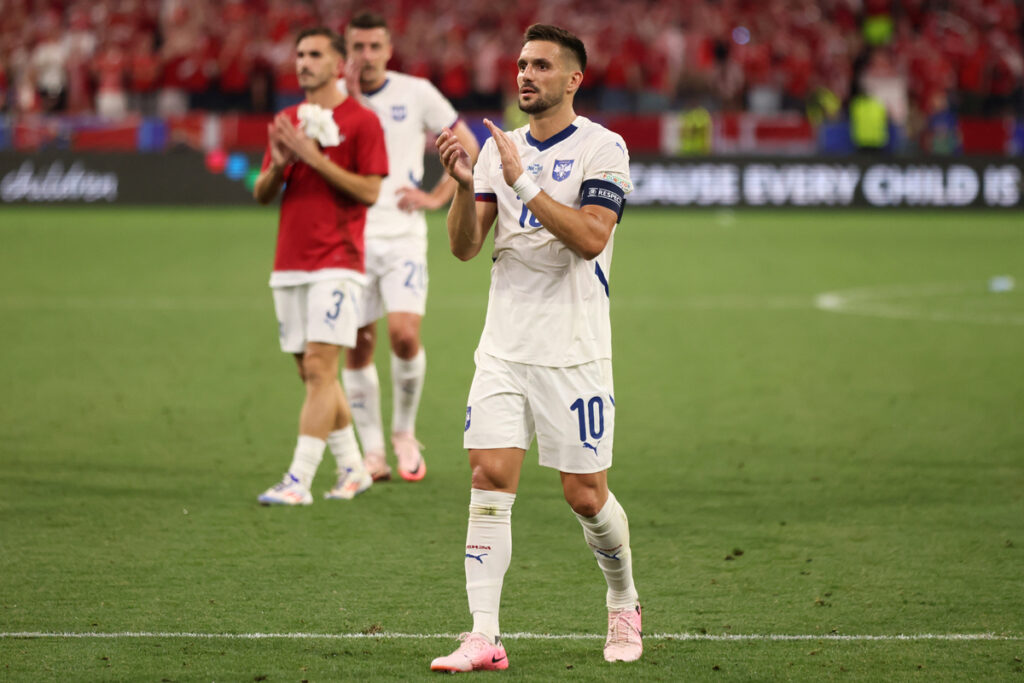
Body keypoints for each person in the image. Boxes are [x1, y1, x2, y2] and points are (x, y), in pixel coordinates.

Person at [431, 24, 641, 672]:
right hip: (503, 346)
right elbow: (466, 247)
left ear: (574, 78)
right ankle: (483, 633)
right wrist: (467, 185)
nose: (525, 74)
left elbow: (589, 238)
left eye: (542, 65)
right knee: (488, 476)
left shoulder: (604, 149)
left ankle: (623, 599)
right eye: (522, 64)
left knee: (585, 493)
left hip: (573, 351)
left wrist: (523, 184)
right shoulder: (500, 150)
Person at [338, 12, 480, 482]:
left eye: (374, 46)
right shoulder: (334, 100)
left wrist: (438, 195)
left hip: (401, 236)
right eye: (357, 47)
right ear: (347, 51)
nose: (366, 56)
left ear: (388, 48)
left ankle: (403, 432)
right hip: (350, 237)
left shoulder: (416, 91)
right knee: (356, 344)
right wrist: (349, 105)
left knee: (403, 335)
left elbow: (469, 146)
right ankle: (373, 451)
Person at [252, 27, 389, 505]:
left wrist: (315, 157)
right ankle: (353, 467)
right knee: (313, 375)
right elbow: (262, 193)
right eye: (300, 55)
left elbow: (371, 191)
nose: (304, 63)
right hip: (289, 261)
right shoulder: (287, 119)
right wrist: (280, 163)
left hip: (339, 260)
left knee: (318, 368)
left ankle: (299, 479)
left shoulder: (362, 121)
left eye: (315, 55)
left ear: (338, 64)